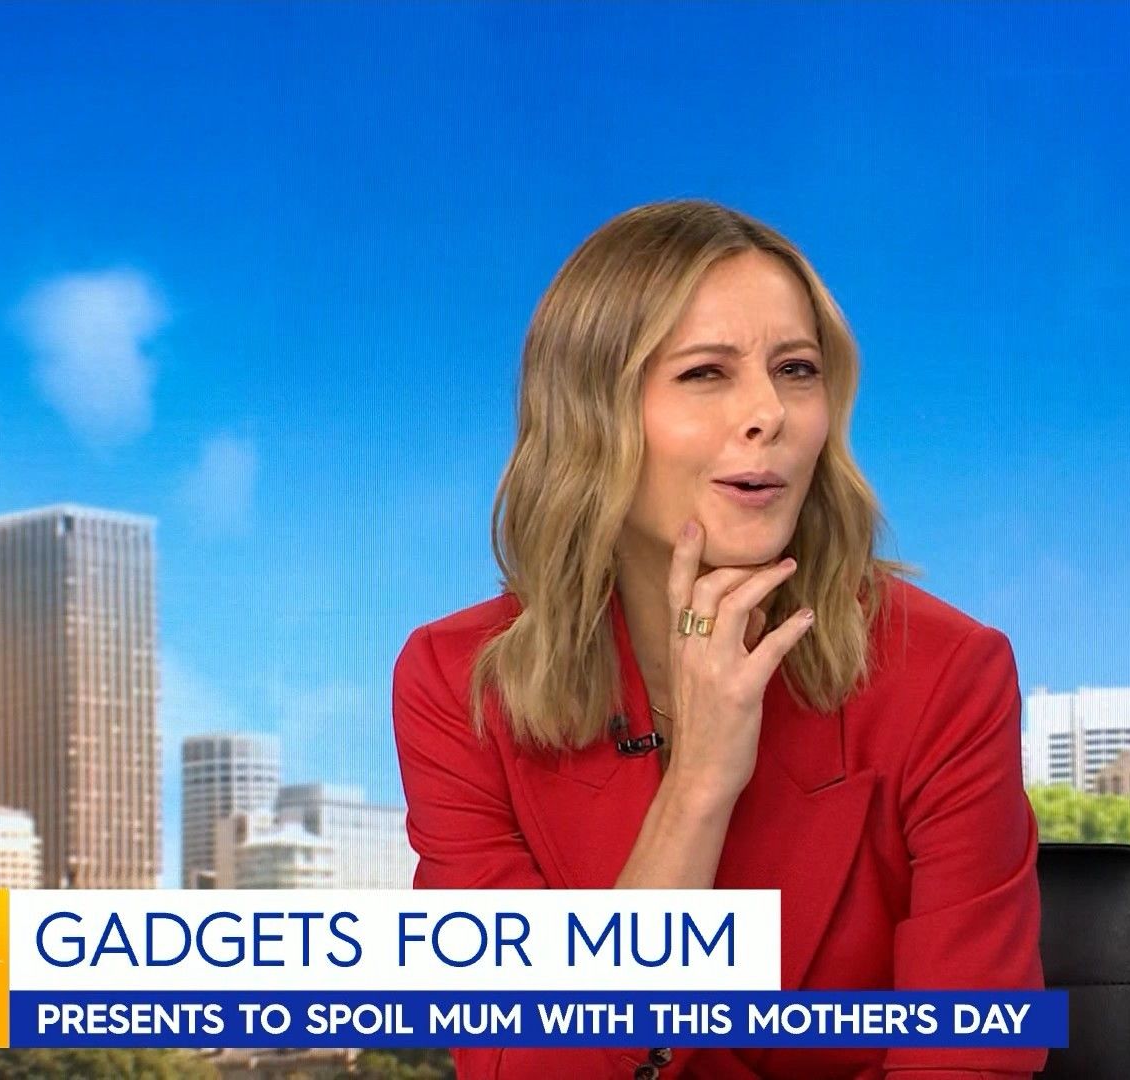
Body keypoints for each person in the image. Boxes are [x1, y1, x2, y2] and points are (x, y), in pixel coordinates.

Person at [392, 199, 1045, 1079]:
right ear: (591, 415)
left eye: (796, 370)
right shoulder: (457, 684)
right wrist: (697, 787)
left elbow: (967, 1061)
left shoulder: (946, 674)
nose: (769, 413)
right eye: (706, 373)